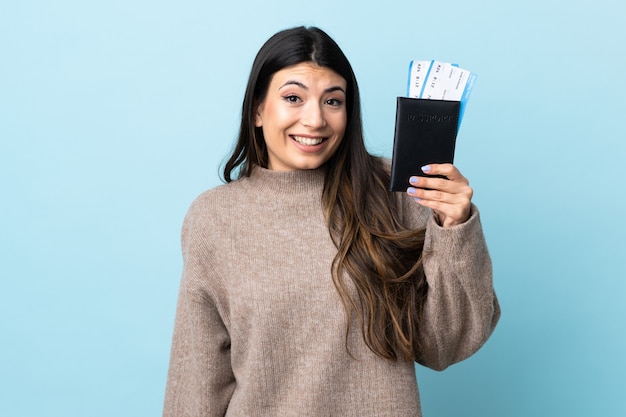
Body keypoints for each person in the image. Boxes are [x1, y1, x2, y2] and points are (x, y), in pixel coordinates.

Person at [163, 26, 500, 417]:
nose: (315, 120)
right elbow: (198, 381)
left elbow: (445, 345)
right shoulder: (213, 218)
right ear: (257, 109)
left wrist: (455, 228)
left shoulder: (395, 192)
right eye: (293, 98)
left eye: (333, 102)